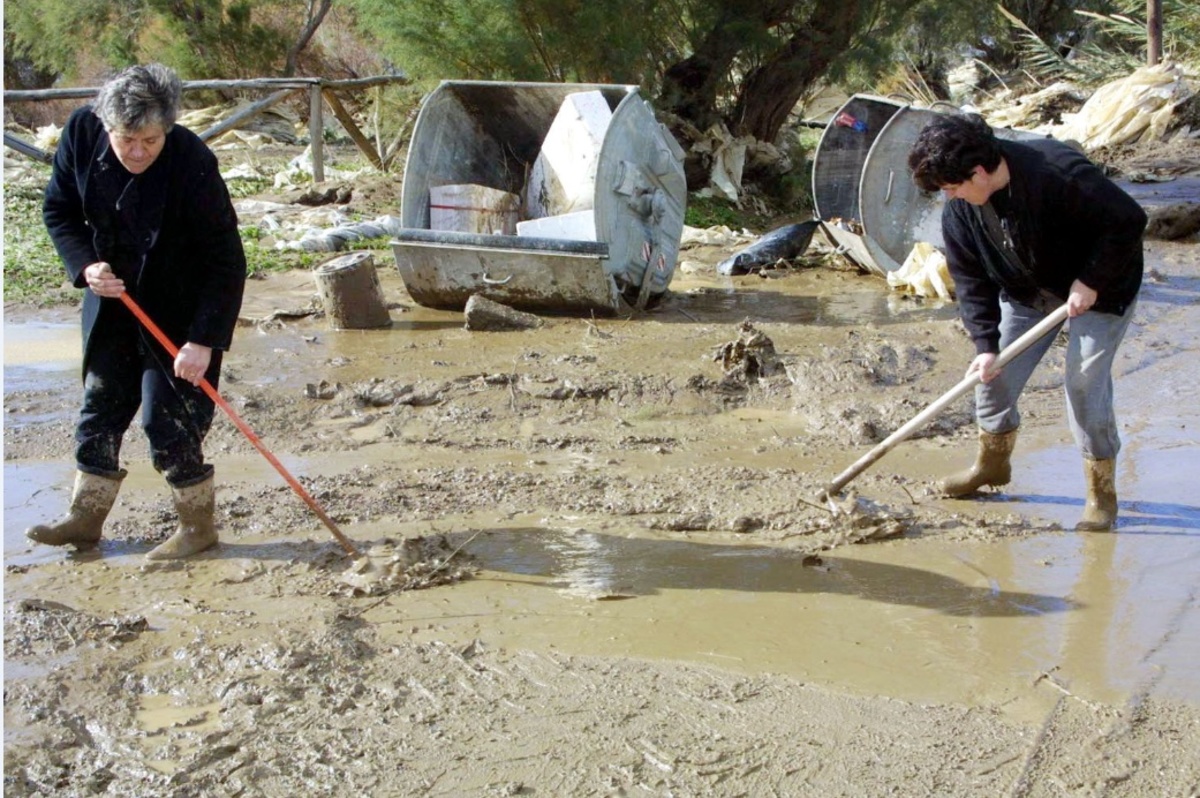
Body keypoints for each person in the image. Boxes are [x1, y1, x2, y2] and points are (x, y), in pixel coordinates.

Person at [27, 63, 247, 559]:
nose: (138, 152)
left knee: (166, 421)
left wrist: (203, 341)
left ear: (167, 128)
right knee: (99, 408)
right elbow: (59, 210)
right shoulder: (81, 134)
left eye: (151, 140)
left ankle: (197, 528)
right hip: (112, 302)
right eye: (127, 139)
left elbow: (227, 259)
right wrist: (85, 266)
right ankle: (85, 519)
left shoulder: (193, 161)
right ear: (105, 125)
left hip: (179, 312)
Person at [907, 113, 1145, 531]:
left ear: (978, 172)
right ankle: (991, 465)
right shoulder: (960, 210)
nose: (952, 196)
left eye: (954, 186)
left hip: (1101, 287)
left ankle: (1100, 492)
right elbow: (970, 281)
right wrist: (985, 346)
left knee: (1084, 382)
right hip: (1028, 292)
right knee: (991, 376)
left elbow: (1128, 221)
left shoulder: (1058, 172)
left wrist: (1091, 280)